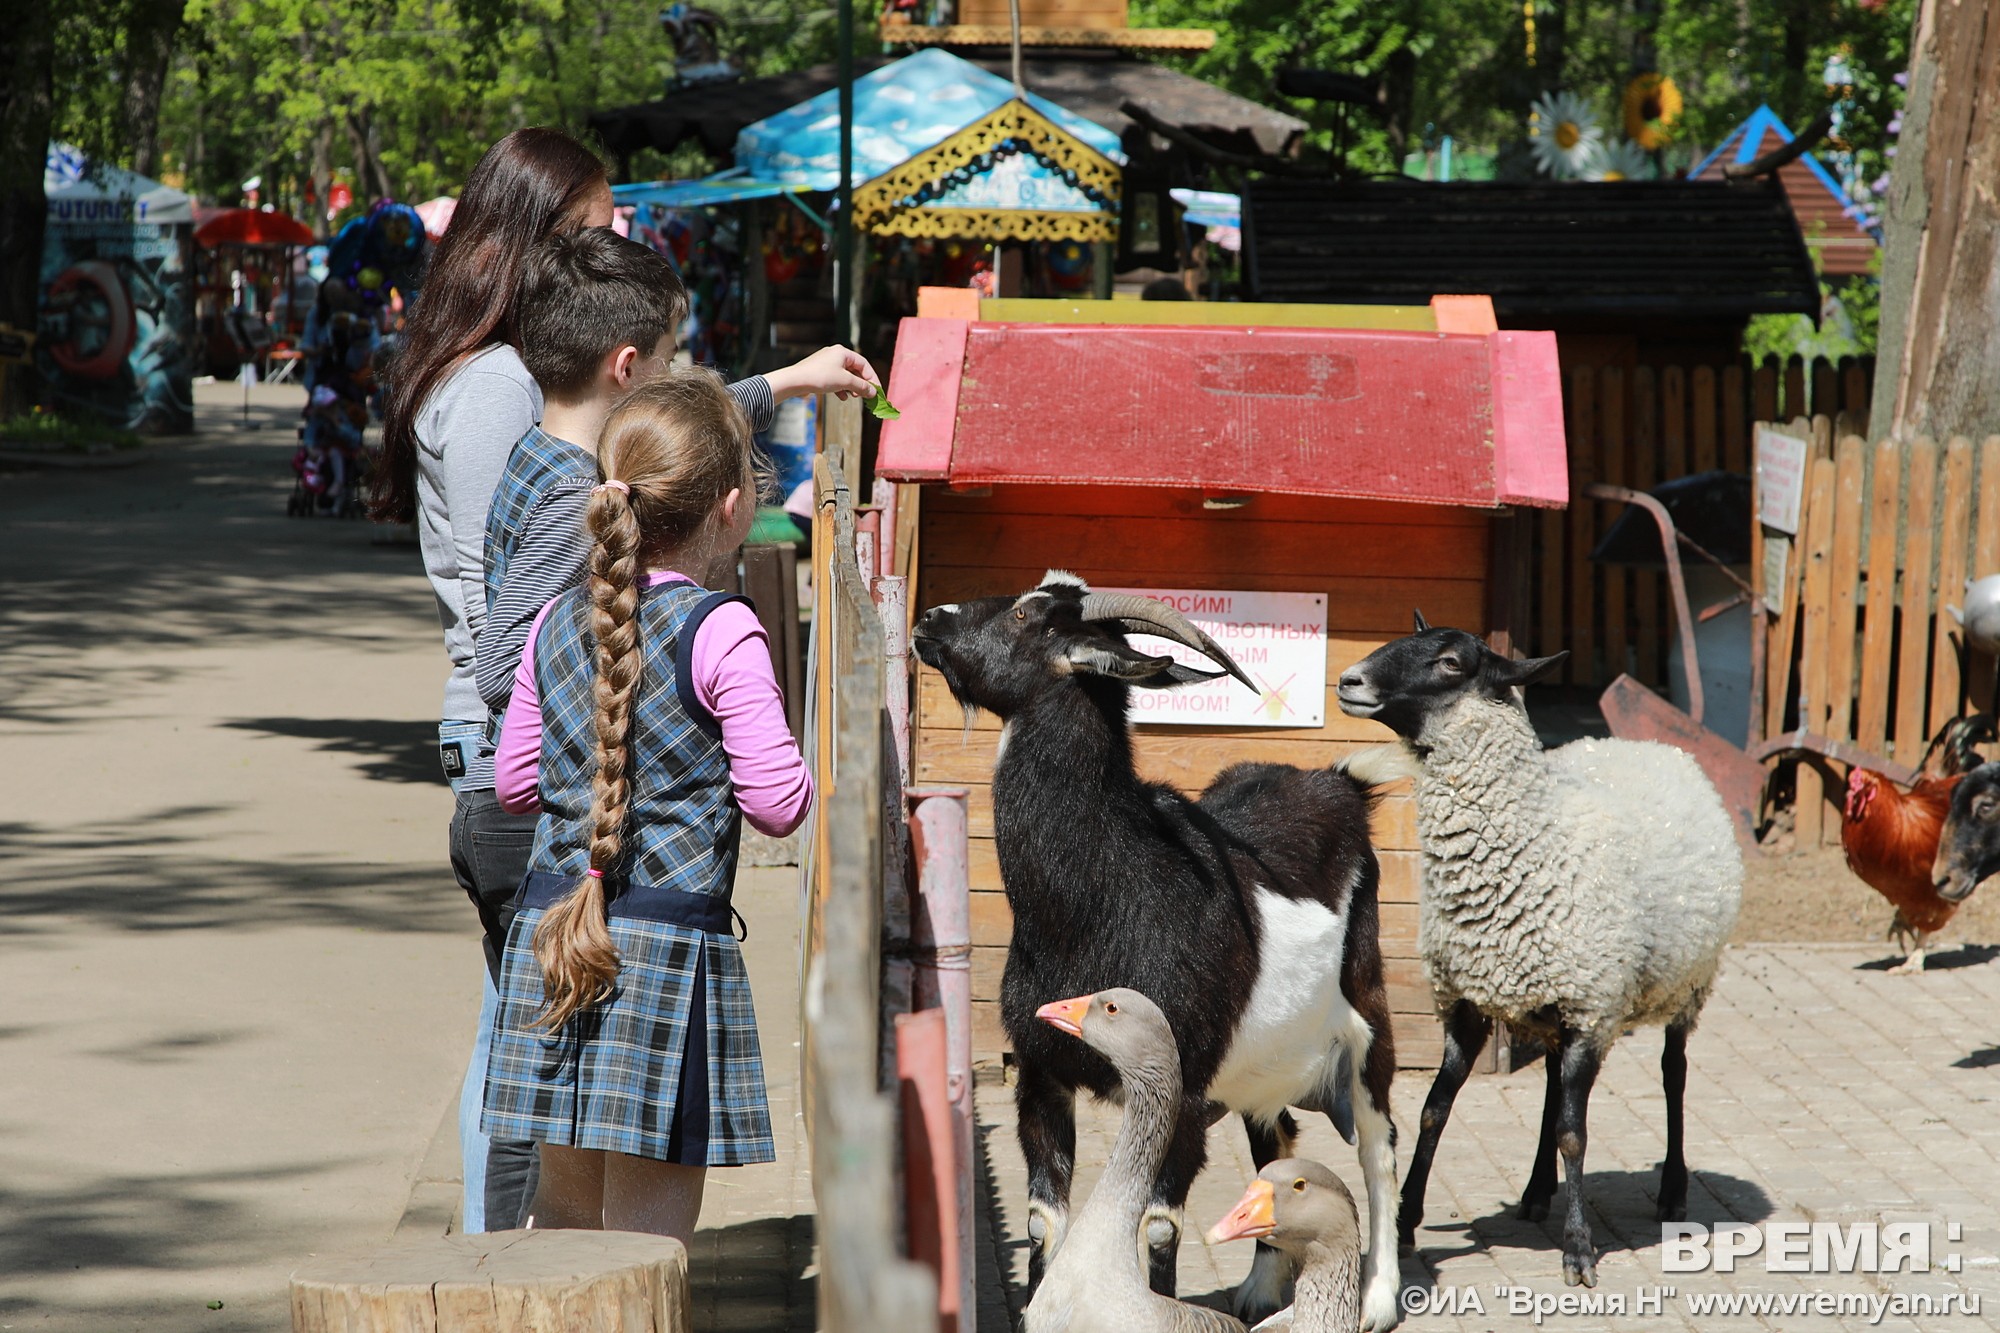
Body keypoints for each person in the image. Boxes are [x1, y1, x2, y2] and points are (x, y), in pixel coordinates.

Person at [371, 125, 871, 1233]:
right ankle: (481, 1271)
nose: (616, 235)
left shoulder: (558, 449)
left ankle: (504, 1276)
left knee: (559, 1163)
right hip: (637, 898)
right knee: (638, 1225)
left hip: (565, 869)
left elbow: (644, 449)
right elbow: (772, 794)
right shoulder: (666, 594)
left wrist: (775, 379)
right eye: (599, 226)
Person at [482, 371, 811, 1239]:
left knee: (561, 1211)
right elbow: (779, 803)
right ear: (732, 508)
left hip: (555, 937)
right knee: (647, 1237)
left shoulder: (555, 617)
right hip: (665, 952)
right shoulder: (723, 628)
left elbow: (514, 784)